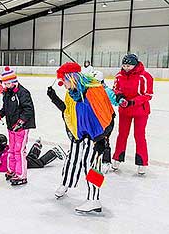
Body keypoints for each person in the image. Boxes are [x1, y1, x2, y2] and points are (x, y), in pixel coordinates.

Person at [48, 62, 114, 213]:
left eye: (63, 80)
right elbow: (67, 111)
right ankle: (66, 183)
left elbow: (107, 116)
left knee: (91, 166)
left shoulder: (94, 91)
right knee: (72, 158)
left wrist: (102, 139)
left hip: (96, 136)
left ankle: (94, 200)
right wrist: (54, 99)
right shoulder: (71, 92)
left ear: (72, 78)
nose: (62, 84)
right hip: (80, 134)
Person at [0, 67, 36, 186]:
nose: (6, 85)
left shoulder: (22, 92)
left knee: (19, 151)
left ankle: (21, 175)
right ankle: (12, 170)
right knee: (11, 149)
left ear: (14, 81)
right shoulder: (7, 92)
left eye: (8, 83)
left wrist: (20, 122)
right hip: (11, 126)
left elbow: (28, 109)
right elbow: (5, 108)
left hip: (21, 127)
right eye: (4, 83)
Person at [111, 54, 153, 175]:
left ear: (135, 64)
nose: (126, 68)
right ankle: (117, 158)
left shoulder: (145, 77)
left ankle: (142, 162)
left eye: (128, 65)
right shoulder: (119, 76)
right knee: (122, 134)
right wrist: (119, 95)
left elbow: (148, 94)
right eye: (124, 65)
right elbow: (116, 88)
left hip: (140, 111)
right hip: (125, 110)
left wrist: (133, 101)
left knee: (139, 135)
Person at [0, 135, 66, 172]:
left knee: (39, 164)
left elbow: (5, 168)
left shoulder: (6, 155)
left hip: (23, 163)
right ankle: (36, 146)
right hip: (22, 159)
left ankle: (53, 152)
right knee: (31, 157)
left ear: (1, 146)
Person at [92, 70, 118, 171]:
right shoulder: (90, 91)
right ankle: (95, 157)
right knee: (96, 140)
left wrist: (119, 98)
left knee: (105, 139)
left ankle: (106, 161)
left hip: (108, 120)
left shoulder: (106, 91)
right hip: (96, 120)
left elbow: (115, 101)